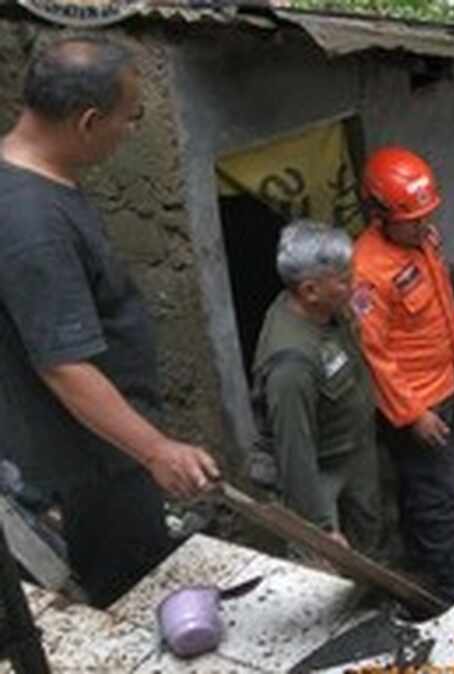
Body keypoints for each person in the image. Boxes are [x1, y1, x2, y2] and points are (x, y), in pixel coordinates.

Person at [0, 36, 219, 608]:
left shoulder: (36, 182)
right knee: (132, 605)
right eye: (129, 118)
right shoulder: (32, 224)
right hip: (89, 466)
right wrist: (155, 451)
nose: (131, 131)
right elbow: (65, 365)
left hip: (103, 451)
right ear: (88, 121)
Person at [351, 146, 454, 609]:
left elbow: (439, 294)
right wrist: (412, 413)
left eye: (425, 216)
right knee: (437, 492)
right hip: (417, 403)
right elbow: (372, 354)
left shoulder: (423, 242)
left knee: (428, 487)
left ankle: (424, 561)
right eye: (412, 219)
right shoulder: (368, 272)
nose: (422, 225)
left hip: (444, 384)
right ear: (380, 215)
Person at [250, 220, 382, 558]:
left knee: (370, 537)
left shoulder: (327, 313)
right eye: (344, 280)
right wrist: (319, 530)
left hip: (353, 448)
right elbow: (296, 453)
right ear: (310, 290)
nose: (354, 285)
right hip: (321, 470)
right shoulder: (291, 365)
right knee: (324, 567)